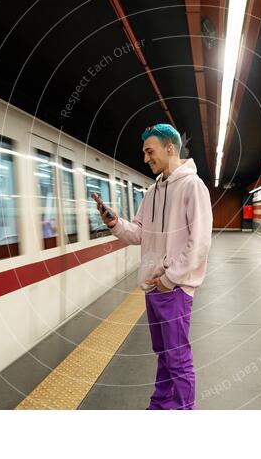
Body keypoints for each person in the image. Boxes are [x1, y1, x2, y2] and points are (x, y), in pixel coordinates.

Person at [92, 123, 212, 410]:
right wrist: (115, 223)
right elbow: (138, 233)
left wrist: (170, 279)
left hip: (174, 289)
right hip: (153, 287)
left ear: (170, 149)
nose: (145, 158)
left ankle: (184, 410)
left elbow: (200, 242)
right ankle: (160, 406)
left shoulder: (192, 187)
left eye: (150, 151)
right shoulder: (153, 191)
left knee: (178, 355)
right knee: (164, 354)